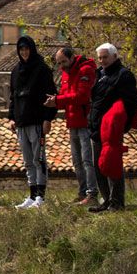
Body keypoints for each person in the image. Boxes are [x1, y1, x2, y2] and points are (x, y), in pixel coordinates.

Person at [87, 44, 137, 213]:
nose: (102, 61)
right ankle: (106, 200)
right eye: (100, 58)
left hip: (111, 129)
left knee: (112, 165)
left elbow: (130, 103)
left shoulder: (124, 75)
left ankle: (116, 203)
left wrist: (121, 125)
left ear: (115, 56)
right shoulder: (99, 74)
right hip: (96, 127)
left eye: (105, 57)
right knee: (99, 166)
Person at [9, 36, 58, 209]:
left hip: (37, 121)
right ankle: (31, 195)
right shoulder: (16, 71)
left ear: (32, 49)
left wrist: (48, 118)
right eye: (21, 49)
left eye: (27, 49)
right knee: (28, 161)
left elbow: (50, 95)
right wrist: (12, 118)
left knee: (39, 159)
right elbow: (13, 96)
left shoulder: (42, 69)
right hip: (21, 122)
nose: (24, 52)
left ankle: (41, 197)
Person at [46, 47, 98, 205]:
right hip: (72, 120)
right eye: (59, 63)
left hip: (84, 120)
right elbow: (64, 94)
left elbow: (82, 96)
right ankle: (83, 192)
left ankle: (92, 193)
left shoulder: (86, 70)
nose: (62, 65)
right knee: (76, 160)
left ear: (72, 58)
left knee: (87, 160)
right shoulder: (65, 73)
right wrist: (55, 99)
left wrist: (59, 100)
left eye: (64, 62)